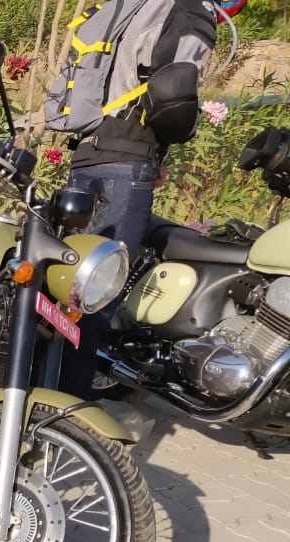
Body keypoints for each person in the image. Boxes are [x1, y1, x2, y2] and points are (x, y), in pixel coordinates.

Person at [42, 0, 233, 395]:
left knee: (66, 278)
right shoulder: (189, 9)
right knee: (98, 292)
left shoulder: (124, 7)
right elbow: (175, 91)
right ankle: (67, 403)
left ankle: (41, 379)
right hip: (127, 160)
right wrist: (168, 143)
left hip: (86, 154)